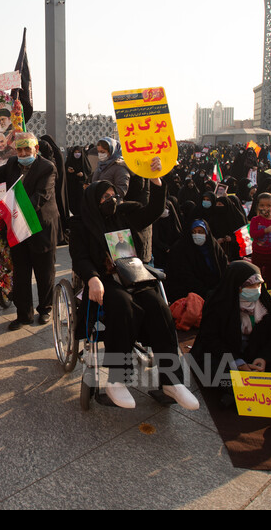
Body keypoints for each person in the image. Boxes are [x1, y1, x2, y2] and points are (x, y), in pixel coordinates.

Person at [70, 164, 199, 411]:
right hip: (104, 281)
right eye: (105, 197)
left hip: (133, 275)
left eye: (112, 195)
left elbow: (154, 209)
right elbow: (80, 257)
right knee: (122, 305)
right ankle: (117, 380)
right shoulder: (81, 224)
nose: (111, 200)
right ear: (93, 201)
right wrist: (93, 278)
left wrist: (156, 180)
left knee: (159, 307)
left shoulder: (125, 213)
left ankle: (171, 382)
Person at [0, 133, 60, 330]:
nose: (23, 153)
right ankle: (24, 314)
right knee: (21, 273)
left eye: (27, 149)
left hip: (41, 226)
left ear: (36, 149)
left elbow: (40, 197)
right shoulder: (13, 163)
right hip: (17, 227)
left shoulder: (47, 167)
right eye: (20, 150)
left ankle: (46, 308)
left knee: (44, 272)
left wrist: (5, 211)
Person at [191, 260, 271, 384]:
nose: (256, 290)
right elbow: (210, 339)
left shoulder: (265, 305)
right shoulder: (219, 305)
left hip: (254, 356)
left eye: (258, 285)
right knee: (216, 373)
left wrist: (263, 358)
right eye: (250, 286)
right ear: (236, 286)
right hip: (225, 356)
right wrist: (237, 362)